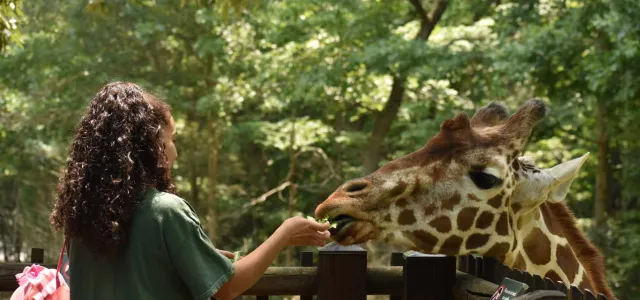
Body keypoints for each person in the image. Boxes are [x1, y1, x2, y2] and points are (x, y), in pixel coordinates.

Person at [49, 82, 331, 300]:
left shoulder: (82, 217)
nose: (175, 152)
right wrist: (284, 233)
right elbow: (227, 288)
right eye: (171, 139)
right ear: (150, 146)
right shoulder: (165, 211)